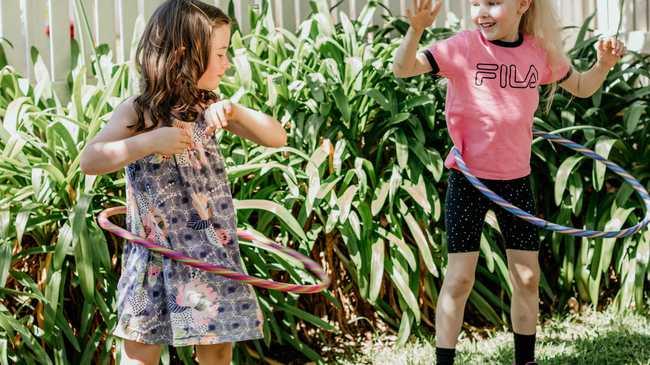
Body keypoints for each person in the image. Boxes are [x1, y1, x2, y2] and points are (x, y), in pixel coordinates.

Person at [391, 1, 625, 364]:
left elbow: (580, 86)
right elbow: (402, 69)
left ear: (522, 4)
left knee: (528, 279)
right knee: (459, 280)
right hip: (468, 179)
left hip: (515, 180)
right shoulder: (463, 47)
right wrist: (417, 29)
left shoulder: (537, 52)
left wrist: (604, 66)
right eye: (476, 3)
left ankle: (525, 360)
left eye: (493, 3)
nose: (482, 12)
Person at [80, 1, 287, 364]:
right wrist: (148, 141)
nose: (226, 64)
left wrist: (236, 111)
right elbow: (91, 159)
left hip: (209, 251)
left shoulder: (210, 107)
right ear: (183, 55)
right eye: (220, 54)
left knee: (217, 346)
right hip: (154, 253)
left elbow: (277, 137)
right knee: (141, 347)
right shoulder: (139, 111)